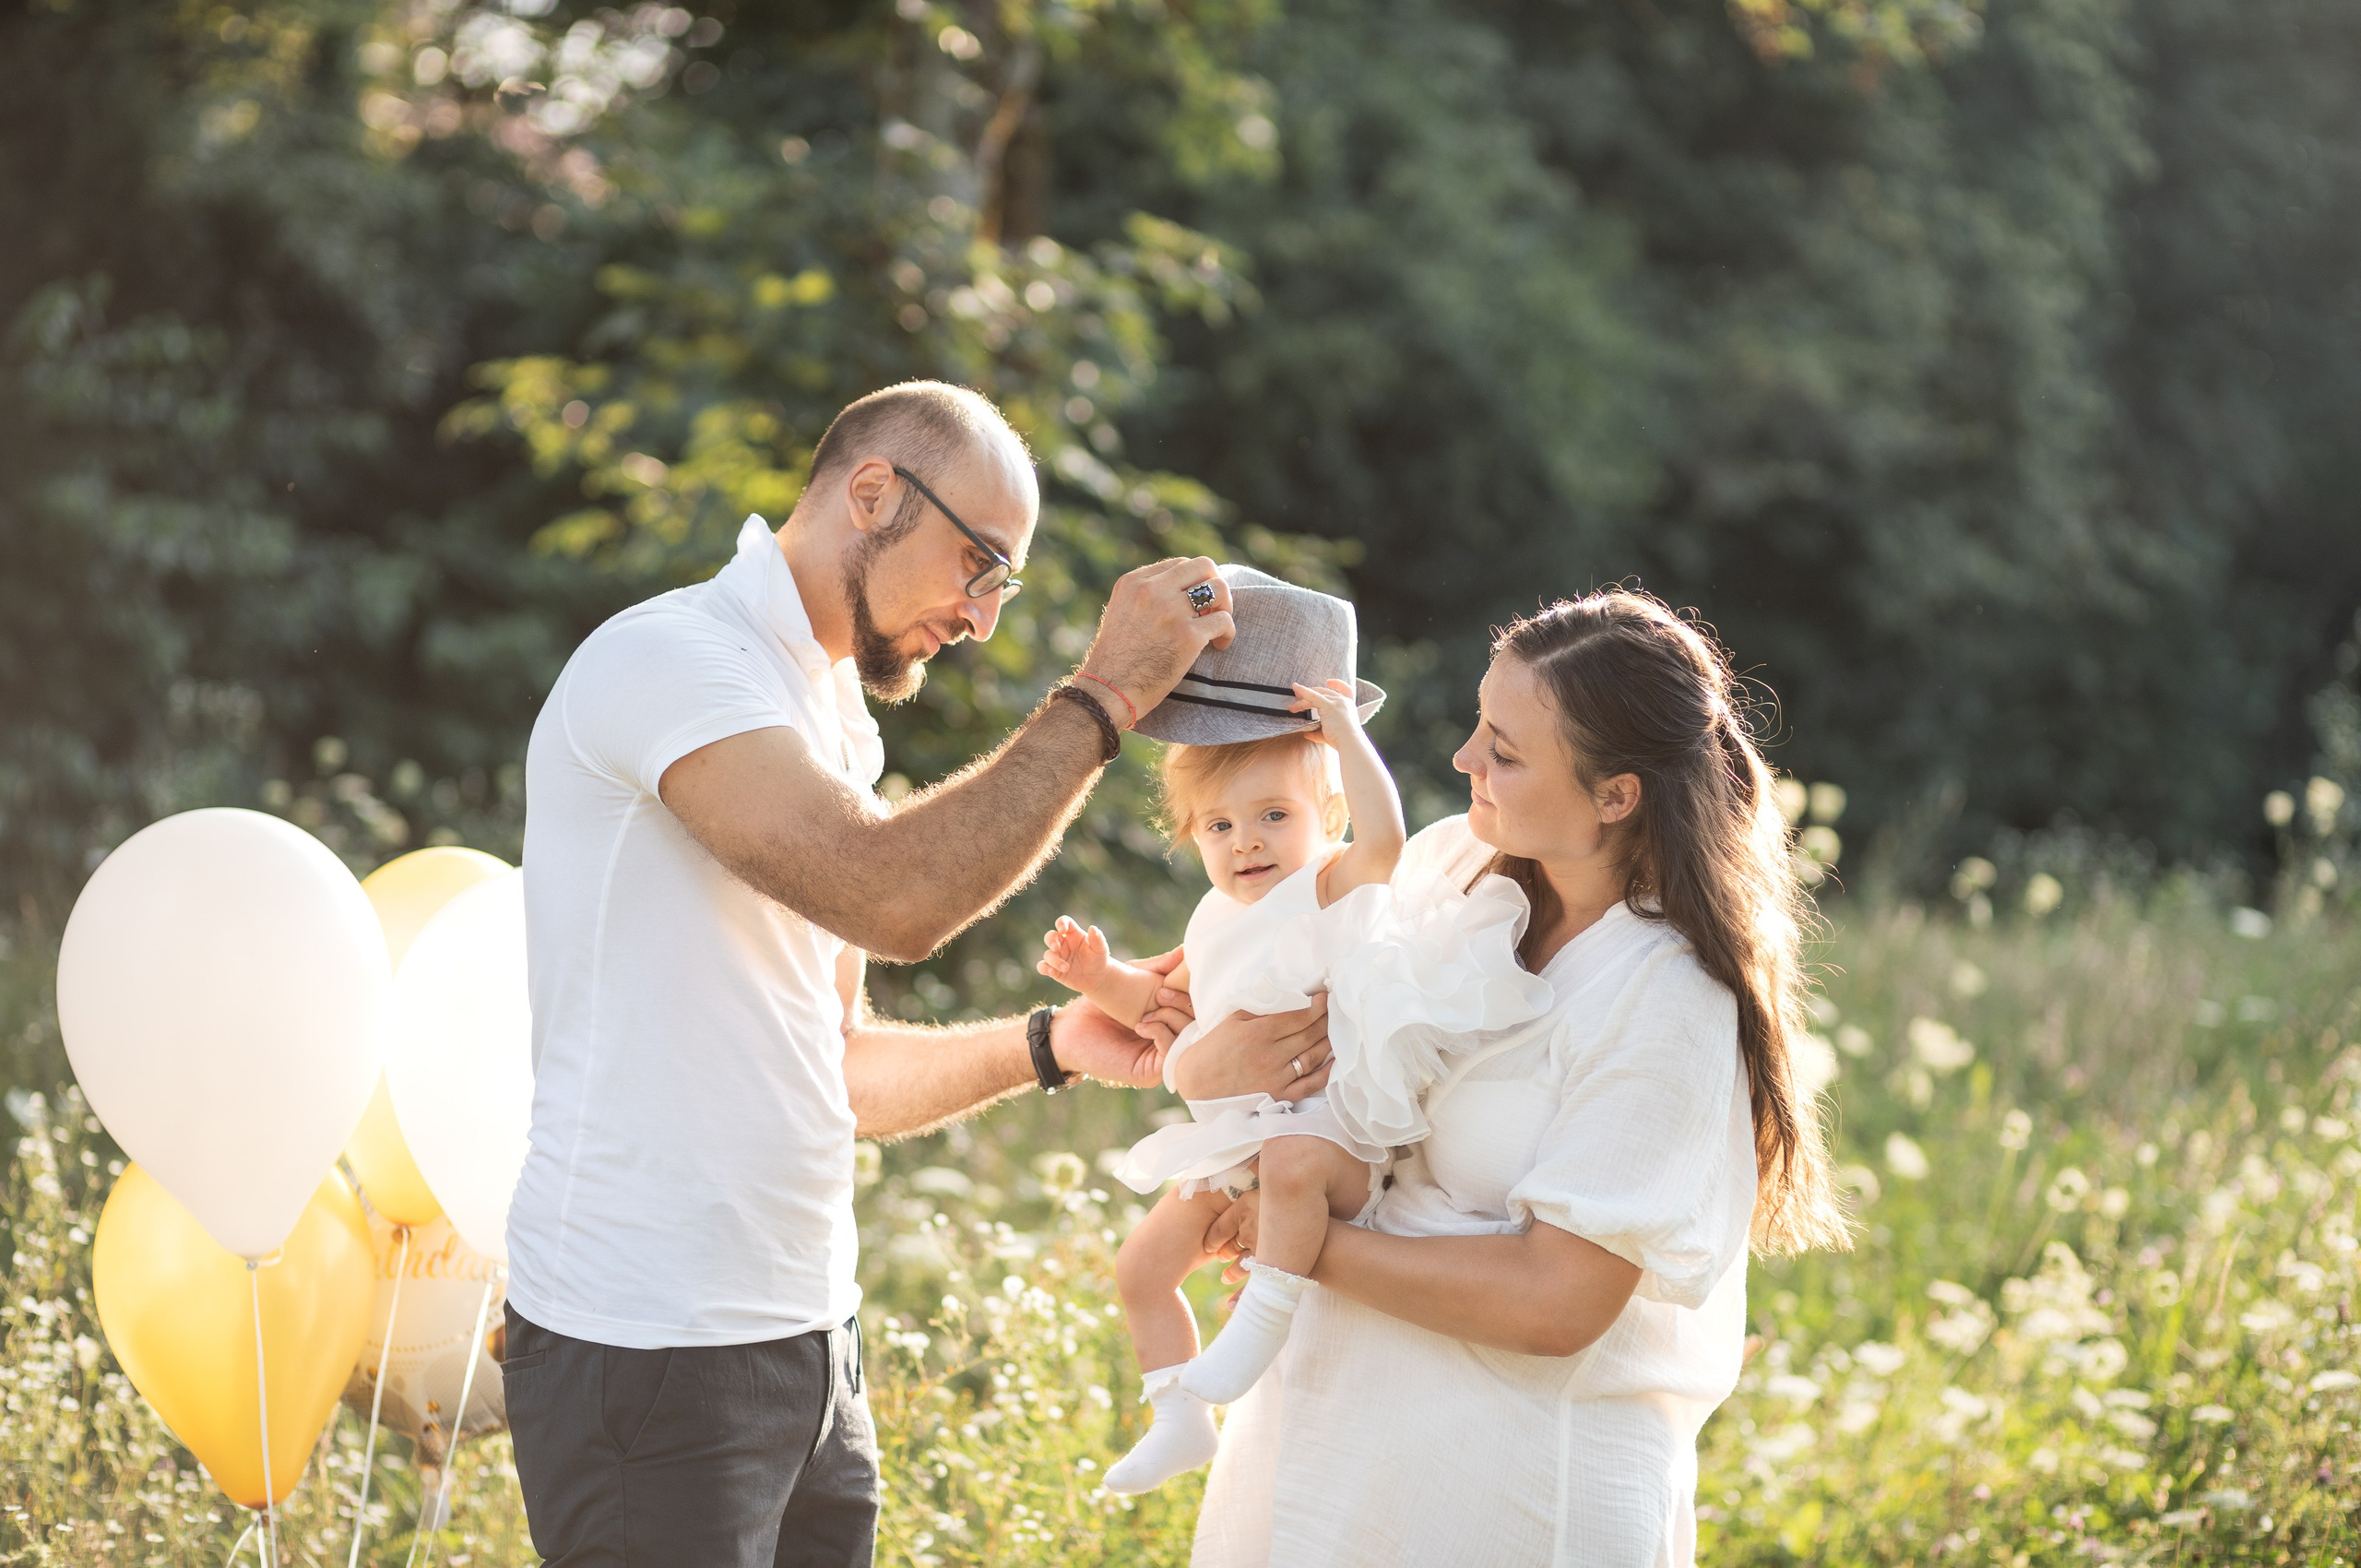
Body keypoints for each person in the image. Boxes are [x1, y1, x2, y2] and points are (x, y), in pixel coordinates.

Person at [499, 381, 1331, 1568]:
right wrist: (1107, 695)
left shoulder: (828, 709)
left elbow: (836, 1067)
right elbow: (891, 896)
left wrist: (1050, 1043)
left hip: (807, 1338)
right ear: (874, 492)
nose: (984, 616)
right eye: (979, 562)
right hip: (650, 1345)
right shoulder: (672, 662)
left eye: (1003, 580)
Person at [1187, 589, 1853, 1568]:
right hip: (1323, 1465)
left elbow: (1556, 1300)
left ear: (1614, 794)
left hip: (1506, 1496)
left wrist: (1298, 1247)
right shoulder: (1448, 867)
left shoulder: (1666, 996)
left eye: (1503, 748)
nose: (1463, 760)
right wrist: (1198, 1062)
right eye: (1476, 724)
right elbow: (1255, 1005)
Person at [1038, 568, 1550, 1494]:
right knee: (1142, 1263)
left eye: (1274, 816)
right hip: (1234, 1140)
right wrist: (1099, 979)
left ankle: (1261, 1318)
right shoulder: (1214, 917)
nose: (1245, 842)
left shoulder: (1321, 888)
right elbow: (1173, 1013)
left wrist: (1345, 734)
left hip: (1323, 1140)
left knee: (1291, 1170)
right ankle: (1175, 1410)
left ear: (1321, 820)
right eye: (1220, 826)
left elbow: (1386, 843)